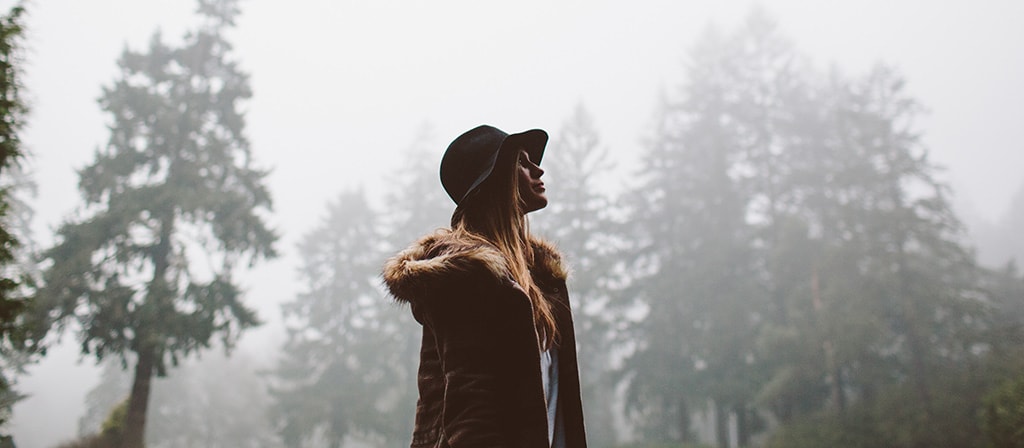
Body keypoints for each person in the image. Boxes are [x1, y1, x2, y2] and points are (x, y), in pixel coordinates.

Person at [383, 125, 588, 447]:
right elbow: (470, 403)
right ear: (494, 181)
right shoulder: (468, 276)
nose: (538, 168)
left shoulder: (541, 278)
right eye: (522, 162)